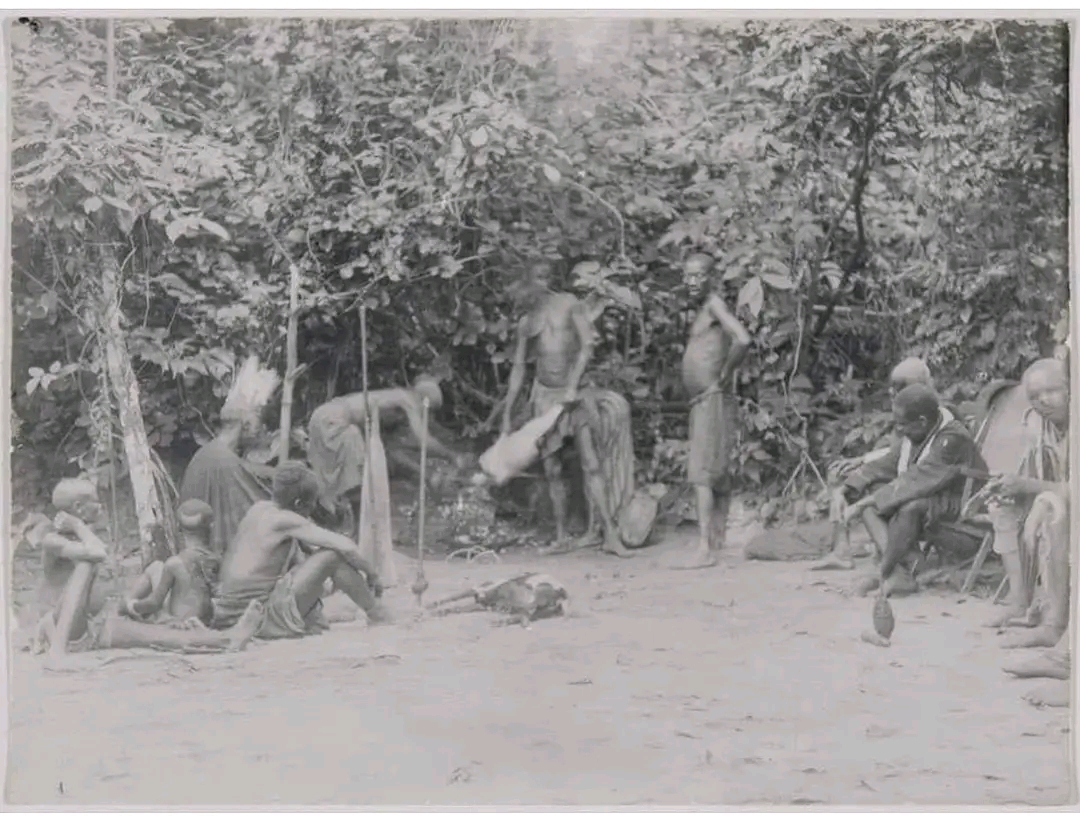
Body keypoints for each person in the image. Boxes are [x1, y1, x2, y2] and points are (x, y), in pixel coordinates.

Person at [499, 267, 633, 558]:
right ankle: (561, 537)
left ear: (541, 283)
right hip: (544, 398)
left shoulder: (568, 304)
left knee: (591, 464)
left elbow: (588, 345)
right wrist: (508, 414)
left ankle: (609, 534)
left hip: (576, 394)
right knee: (552, 469)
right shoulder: (526, 321)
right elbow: (519, 368)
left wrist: (572, 386)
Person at [209, 461, 391, 640]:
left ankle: (366, 608)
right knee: (332, 557)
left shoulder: (258, 509)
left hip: (228, 611)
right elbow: (347, 547)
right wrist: (373, 574)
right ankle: (377, 613)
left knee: (325, 564)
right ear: (298, 503)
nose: (313, 508)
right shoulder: (284, 520)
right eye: (312, 502)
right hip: (255, 615)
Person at [843, 384, 988, 596]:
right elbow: (886, 463)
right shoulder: (918, 433)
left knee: (909, 506)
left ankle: (886, 572)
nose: (898, 430)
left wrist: (863, 503)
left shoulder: (953, 438)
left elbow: (919, 479)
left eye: (902, 425)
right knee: (872, 498)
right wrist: (848, 487)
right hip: (934, 499)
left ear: (922, 421)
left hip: (963, 506)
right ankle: (900, 574)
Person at [814, 357, 940, 571]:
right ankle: (843, 550)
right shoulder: (912, 406)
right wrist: (860, 465)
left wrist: (862, 468)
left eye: (901, 387)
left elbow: (907, 457)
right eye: (894, 387)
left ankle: (896, 561)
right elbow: (898, 451)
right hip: (906, 472)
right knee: (844, 475)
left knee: (867, 492)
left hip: (927, 484)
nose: (894, 392)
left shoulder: (933, 412)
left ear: (921, 385)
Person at [983, 358, 1070, 650]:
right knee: (1002, 504)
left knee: (1053, 515)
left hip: (1066, 504)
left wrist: (1034, 490)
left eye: (1052, 391)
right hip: (1057, 496)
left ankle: (1054, 625)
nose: (1043, 400)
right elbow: (1039, 472)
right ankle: (1019, 600)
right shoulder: (1040, 425)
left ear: (1071, 387)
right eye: (1034, 396)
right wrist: (1012, 485)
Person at [306, 374, 465, 524]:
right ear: (425, 401)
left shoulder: (389, 408)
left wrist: (426, 475)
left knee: (348, 477)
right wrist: (451, 456)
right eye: (430, 411)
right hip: (335, 420)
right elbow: (424, 441)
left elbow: (392, 452)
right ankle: (357, 532)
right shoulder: (406, 399)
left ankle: (334, 519)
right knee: (358, 479)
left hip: (322, 416)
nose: (427, 416)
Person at [670, 288, 751, 570]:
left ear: (709, 277)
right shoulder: (705, 308)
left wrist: (725, 374)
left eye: (698, 276)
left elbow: (742, 339)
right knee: (714, 468)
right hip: (704, 400)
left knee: (702, 473)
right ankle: (716, 542)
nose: (692, 282)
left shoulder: (714, 303)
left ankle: (706, 547)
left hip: (711, 398)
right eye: (688, 276)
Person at [180, 356, 278, 559]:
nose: (260, 430)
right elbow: (251, 506)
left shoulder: (211, 453)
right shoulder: (223, 460)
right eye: (257, 423)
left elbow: (242, 471)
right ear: (246, 424)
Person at [26, 479, 112, 659]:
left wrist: (79, 528)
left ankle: (53, 634)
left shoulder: (83, 535)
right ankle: (57, 645)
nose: (100, 506)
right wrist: (77, 525)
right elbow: (99, 553)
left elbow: (100, 549)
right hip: (65, 625)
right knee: (84, 564)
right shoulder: (53, 540)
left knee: (168, 639)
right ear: (79, 507)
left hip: (88, 625)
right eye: (96, 501)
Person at [121, 499, 219, 626]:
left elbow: (154, 603)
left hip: (177, 623)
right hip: (203, 623)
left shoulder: (174, 563)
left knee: (155, 567)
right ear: (211, 527)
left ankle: (126, 604)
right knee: (158, 567)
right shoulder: (216, 559)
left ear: (178, 528)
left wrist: (132, 606)